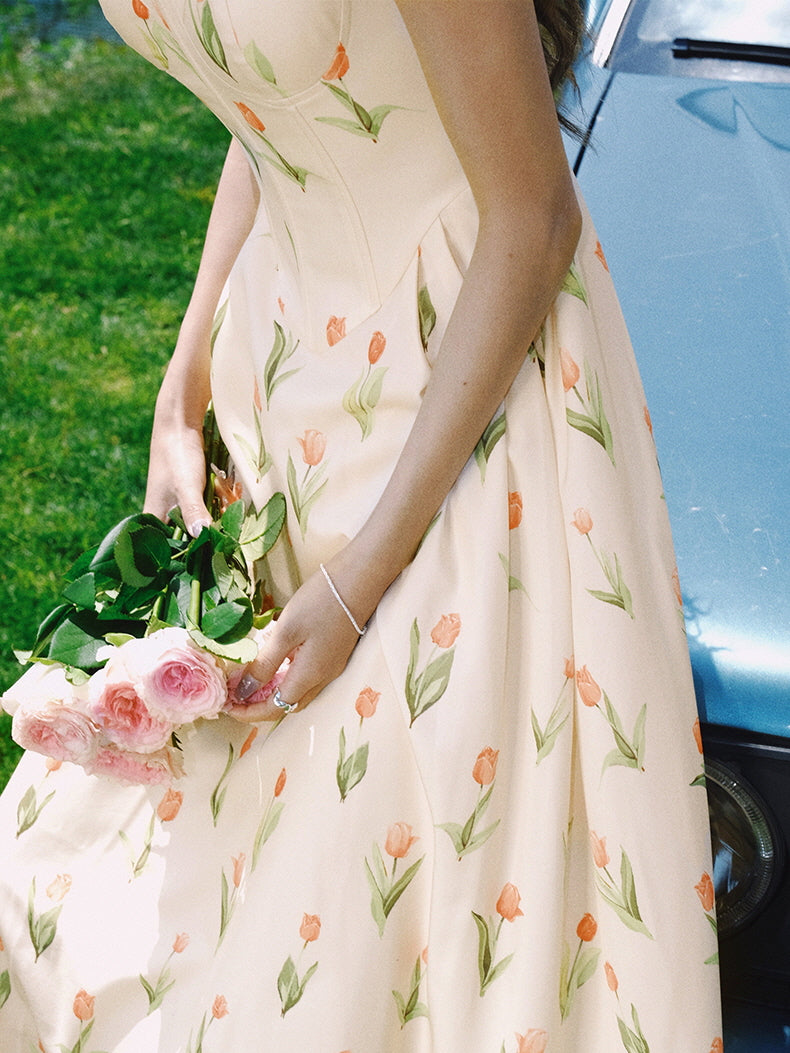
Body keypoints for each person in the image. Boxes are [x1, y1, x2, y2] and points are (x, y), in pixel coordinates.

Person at [0, 1, 722, 1050]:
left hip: (460, 395)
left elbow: (533, 215)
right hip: (285, 385)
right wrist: (185, 374)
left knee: (352, 936)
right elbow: (272, 114)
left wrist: (359, 581)